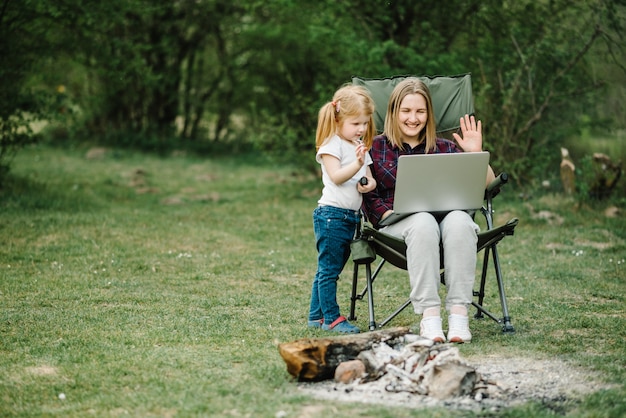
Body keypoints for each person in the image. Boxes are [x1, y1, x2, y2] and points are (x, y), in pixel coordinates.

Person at [363, 78, 495, 343]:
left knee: (460, 221)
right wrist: (384, 215)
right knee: (422, 221)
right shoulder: (374, 147)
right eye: (406, 111)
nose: (413, 118)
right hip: (397, 226)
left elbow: (490, 185)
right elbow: (367, 193)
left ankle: (459, 315)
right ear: (393, 112)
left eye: (420, 111)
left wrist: (475, 154)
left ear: (429, 115)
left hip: (447, 224)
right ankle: (430, 317)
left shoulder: (445, 148)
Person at [308, 84, 378, 334]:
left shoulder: (359, 146)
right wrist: (357, 163)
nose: (361, 129)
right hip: (331, 215)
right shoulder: (331, 144)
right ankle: (332, 318)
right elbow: (336, 176)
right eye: (355, 123)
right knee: (329, 270)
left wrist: (368, 184)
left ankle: (316, 315)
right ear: (338, 120)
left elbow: (369, 178)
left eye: (365, 124)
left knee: (331, 267)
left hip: (350, 217)